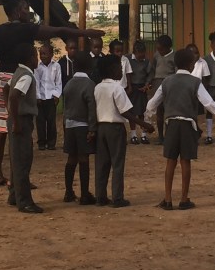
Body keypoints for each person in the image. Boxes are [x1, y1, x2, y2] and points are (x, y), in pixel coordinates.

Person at [0, 0, 104, 187]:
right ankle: (19, 178)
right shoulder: (27, 29)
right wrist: (85, 33)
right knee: (21, 131)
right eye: (25, 9)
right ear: (17, 11)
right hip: (18, 80)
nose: (28, 12)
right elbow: (58, 30)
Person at [147, 49, 215, 210]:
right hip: (188, 125)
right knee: (185, 161)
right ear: (191, 64)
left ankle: (167, 199)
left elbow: (152, 103)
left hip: (171, 124)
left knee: (170, 161)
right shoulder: (195, 82)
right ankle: (183, 199)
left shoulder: (167, 81)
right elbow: (210, 104)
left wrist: (147, 120)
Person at [94, 55, 154, 207]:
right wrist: (145, 125)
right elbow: (125, 112)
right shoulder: (117, 88)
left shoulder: (97, 87)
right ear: (111, 70)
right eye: (119, 68)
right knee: (117, 163)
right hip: (115, 128)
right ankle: (117, 198)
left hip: (101, 127)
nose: (122, 71)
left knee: (102, 164)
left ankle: (100, 196)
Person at [5, 43, 42, 213]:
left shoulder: (18, 72)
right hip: (21, 120)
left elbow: (6, 88)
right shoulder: (27, 76)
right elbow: (13, 95)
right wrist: (16, 121)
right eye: (36, 56)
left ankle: (14, 194)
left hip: (16, 118)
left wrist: (9, 111)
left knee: (16, 159)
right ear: (30, 59)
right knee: (23, 161)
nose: (37, 59)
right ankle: (25, 201)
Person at [61, 51, 98, 204]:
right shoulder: (89, 85)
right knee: (84, 158)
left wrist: (65, 125)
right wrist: (92, 128)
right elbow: (91, 108)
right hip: (83, 126)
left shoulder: (69, 84)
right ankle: (84, 194)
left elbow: (66, 107)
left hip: (70, 125)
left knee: (71, 158)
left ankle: (69, 192)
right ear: (90, 67)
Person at [148, 34, 176, 145]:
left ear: (168, 48)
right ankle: (160, 136)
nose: (159, 51)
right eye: (158, 49)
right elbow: (153, 69)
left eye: (161, 49)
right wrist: (150, 82)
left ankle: (168, 136)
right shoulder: (156, 55)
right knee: (159, 111)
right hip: (157, 84)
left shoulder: (174, 56)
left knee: (169, 112)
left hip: (169, 84)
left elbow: (176, 72)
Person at [34, 43, 61, 151]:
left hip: (51, 98)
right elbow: (36, 82)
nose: (42, 56)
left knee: (51, 122)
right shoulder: (37, 67)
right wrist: (37, 96)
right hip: (40, 98)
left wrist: (56, 95)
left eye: (45, 54)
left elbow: (58, 82)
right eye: (41, 54)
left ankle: (51, 143)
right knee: (40, 122)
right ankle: (41, 142)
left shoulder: (56, 66)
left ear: (51, 54)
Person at [127, 40, 152, 145]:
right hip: (131, 88)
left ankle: (143, 135)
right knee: (132, 112)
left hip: (142, 88)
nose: (141, 56)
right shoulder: (127, 59)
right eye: (139, 55)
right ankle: (133, 135)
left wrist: (147, 85)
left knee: (142, 112)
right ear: (134, 52)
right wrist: (129, 86)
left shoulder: (146, 61)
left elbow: (150, 74)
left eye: (143, 54)